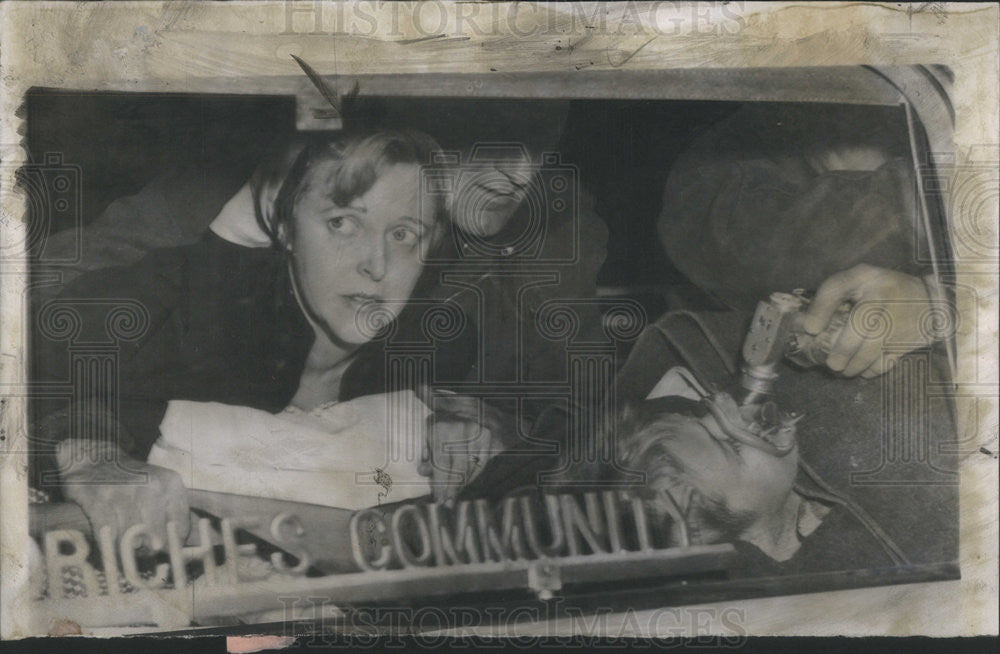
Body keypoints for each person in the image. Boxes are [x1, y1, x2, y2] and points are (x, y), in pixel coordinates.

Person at [31, 129, 499, 543]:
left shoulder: (439, 346)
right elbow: (35, 360)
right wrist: (89, 455)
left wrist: (466, 424)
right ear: (286, 227)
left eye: (403, 235)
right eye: (342, 223)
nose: (376, 265)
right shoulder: (192, 298)